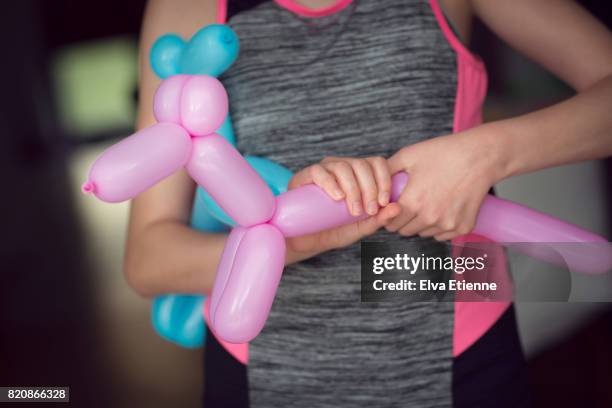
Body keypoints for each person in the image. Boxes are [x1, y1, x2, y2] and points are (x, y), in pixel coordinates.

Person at [125, 0, 612, 406]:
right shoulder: (186, 7)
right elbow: (149, 259)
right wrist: (292, 237)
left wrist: (483, 155)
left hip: (463, 353)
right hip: (261, 373)